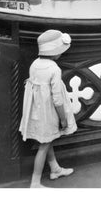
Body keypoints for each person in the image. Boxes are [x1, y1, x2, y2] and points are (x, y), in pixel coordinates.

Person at [19, 29, 78, 187]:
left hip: (37, 111)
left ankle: (55, 169)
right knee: (44, 146)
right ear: (55, 52)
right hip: (49, 112)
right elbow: (57, 99)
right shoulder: (54, 69)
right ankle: (35, 182)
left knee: (46, 140)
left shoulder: (35, 64)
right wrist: (63, 119)